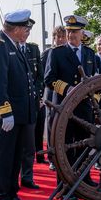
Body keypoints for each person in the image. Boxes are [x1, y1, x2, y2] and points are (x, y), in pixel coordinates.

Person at [0, 9, 37, 200]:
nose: (27, 31)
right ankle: (1, 196)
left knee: (16, 156)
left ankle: (12, 194)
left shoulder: (14, 45)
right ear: (15, 28)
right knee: (5, 156)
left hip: (20, 114)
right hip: (7, 114)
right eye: (26, 28)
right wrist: (6, 112)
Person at [45, 15, 99, 193]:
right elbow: (49, 79)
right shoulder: (57, 53)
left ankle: (84, 178)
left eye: (75, 32)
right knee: (65, 146)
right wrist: (68, 90)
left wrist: (93, 99)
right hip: (63, 107)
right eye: (68, 31)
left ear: (82, 33)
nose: (71, 35)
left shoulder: (90, 54)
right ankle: (64, 184)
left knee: (85, 144)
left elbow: (97, 80)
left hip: (84, 108)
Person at [18, 22, 42, 190]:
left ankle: (27, 177)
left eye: (29, 30)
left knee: (29, 143)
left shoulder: (33, 50)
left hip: (31, 103)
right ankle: (13, 178)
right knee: (15, 144)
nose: (26, 32)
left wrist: (36, 94)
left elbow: (40, 76)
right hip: (16, 103)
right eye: (24, 29)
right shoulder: (9, 48)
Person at [39, 26, 67, 169]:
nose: (61, 39)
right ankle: (52, 158)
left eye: (63, 36)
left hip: (67, 95)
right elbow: (43, 77)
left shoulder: (70, 53)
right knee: (52, 125)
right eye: (58, 37)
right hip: (51, 94)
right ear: (54, 38)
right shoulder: (47, 53)